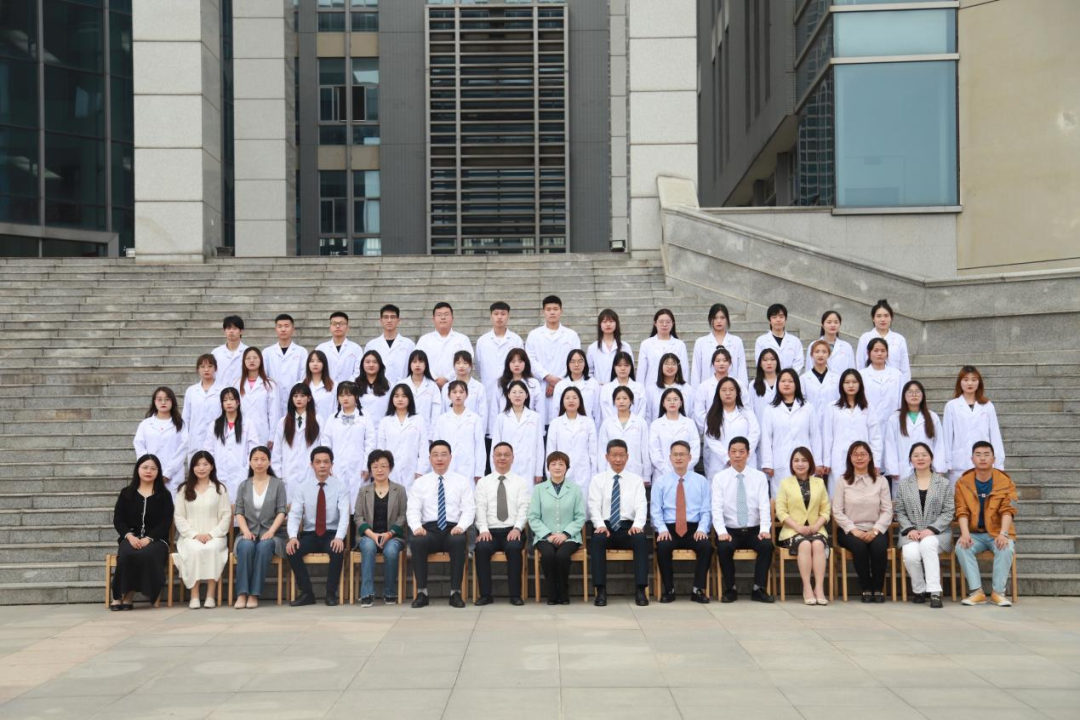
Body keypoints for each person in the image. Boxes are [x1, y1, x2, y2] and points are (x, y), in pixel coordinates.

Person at [407, 441, 475, 608]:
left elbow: (469, 509)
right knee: (417, 542)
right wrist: (417, 527)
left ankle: (455, 593)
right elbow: (413, 509)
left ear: (450, 458)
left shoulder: (461, 481)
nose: (439, 459)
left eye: (444, 455)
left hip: (453, 528)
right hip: (428, 530)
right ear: (429, 458)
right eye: (435, 455)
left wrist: (461, 526)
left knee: (459, 541)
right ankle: (422, 593)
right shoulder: (420, 483)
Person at [712, 437, 775, 604]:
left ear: (748, 453)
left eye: (741, 452)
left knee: (767, 546)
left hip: (754, 530)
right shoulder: (719, 478)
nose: (737, 455)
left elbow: (764, 506)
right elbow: (716, 508)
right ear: (728, 454)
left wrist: (765, 530)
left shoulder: (759, 477)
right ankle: (730, 589)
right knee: (724, 547)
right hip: (731, 531)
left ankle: (759, 589)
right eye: (733, 452)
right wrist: (721, 532)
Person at [955, 441, 1016, 607]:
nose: (982, 458)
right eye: (978, 455)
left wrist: (1003, 533)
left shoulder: (1005, 481)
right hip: (975, 533)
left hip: (997, 531)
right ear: (972, 459)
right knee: (961, 546)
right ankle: (977, 592)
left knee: (1006, 547)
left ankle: (998, 593)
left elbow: (1008, 510)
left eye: (986, 454)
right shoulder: (963, 482)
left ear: (994, 459)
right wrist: (965, 534)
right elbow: (961, 511)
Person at [589, 440, 649, 607]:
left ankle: (640, 590)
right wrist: (600, 525)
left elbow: (641, 505)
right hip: (606, 525)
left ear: (627, 457)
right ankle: (600, 591)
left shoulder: (636, 480)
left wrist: (637, 525)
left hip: (628, 527)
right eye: (614, 455)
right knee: (597, 540)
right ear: (607, 457)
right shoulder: (598, 479)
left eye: (621, 455)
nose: (618, 459)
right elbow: (593, 505)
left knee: (640, 539)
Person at [286, 446, 350, 606]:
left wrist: (339, 537)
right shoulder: (302, 487)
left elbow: (344, 514)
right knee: (292, 549)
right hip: (310, 534)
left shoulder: (340, 486)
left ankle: (331, 593)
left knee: (337, 549)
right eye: (318, 462)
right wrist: (292, 537)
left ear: (331, 465)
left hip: (331, 534)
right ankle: (307, 593)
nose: (322, 465)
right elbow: (294, 514)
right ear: (311, 465)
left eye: (326, 462)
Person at [651, 441, 713, 603]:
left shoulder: (701, 481)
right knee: (663, 547)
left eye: (682, 454)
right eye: (675, 454)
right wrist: (662, 529)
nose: (678, 458)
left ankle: (697, 590)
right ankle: (669, 590)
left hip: (693, 528)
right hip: (669, 528)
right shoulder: (661, 482)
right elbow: (656, 510)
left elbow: (706, 510)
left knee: (706, 546)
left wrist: (702, 529)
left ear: (690, 457)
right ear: (670, 458)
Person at [110, 455, 174, 610]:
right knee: (127, 553)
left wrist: (149, 538)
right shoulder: (126, 493)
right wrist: (129, 536)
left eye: (153, 468)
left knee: (147, 553)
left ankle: (129, 596)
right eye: (145, 467)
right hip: (131, 537)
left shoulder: (164, 495)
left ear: (158, 472)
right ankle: (118, 596)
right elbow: (118, 520)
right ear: (137, 469)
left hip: (157, 540)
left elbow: (166, 522)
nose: (148, 471)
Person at [833, 441, 893, 603]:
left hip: (875, 528)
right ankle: (866, 588)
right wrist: (854, 530)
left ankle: (878, 589)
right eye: (855, 454)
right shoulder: (842, 481)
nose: (859, 458)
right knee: (859, 547)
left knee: (879, 547)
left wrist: (875, 530)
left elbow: (887, 510)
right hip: (850, 530)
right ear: (850, 458)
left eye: (863, 454)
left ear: (870, 457)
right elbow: (837, 511)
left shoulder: (881, 481)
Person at [895, 443, 953, 609]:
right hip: (911, 532)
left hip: (938, 533)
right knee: (910, 554)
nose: (920, 458)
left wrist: (931, 530)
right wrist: (910, 529)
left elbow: (949, 511)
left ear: (931, 458)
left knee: (927, 545)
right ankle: (919, 590)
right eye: (916, 455)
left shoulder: (943, 483)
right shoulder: (904, 484)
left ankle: (934, 592)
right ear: (910, 460)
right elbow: (899, 511)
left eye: (924, 455)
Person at [473, 442, 530, 606]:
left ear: (512, 458)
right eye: (499, 455)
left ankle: (515, 595)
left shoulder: (521, 482)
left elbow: (524, 508)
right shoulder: (483, 482)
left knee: (514, 547)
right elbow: (480, 508)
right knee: (481, 548)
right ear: (493, 458)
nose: (502, 458)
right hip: (489, 531)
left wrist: (517, 528)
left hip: (512, 530)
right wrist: (483, 529)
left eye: (506, 455)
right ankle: (485, 595)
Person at [173, 451, 232, 609]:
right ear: (192, 468)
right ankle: (194, 595)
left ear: (212, 466)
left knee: (212, 549)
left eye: (205, 464)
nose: (201, 468)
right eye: (197, 465)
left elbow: (226, 515)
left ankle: (210, 595)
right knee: (195, 550)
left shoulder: (219, 489)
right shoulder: (184, 489)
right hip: (190, 536)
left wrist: (212, 534)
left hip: (216, 536)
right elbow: (179, 516)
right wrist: (194, 535)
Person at [232, 446, 288, 609]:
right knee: (246, 546)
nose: (259, 463)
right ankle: (242, 593)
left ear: (269, 462)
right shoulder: (244, 485)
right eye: (255, 459)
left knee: (264, 546)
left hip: (273, 534)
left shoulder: (278, 484)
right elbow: (239, 511)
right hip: (248, 532)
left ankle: (254, 594)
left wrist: (271, 531)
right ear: (250, 462)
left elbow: (282, 511)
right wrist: (245, 531)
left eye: (263, 459)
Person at [528, 451, 586, 605]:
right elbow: (533, 517)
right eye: (553, 464)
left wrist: (565, 534)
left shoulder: (575, 489)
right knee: (547, 555)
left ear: (567, 467)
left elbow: (580, 516)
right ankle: (552, 591)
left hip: (570, 537)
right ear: (548, 468)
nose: (557, 467)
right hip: (544, 537)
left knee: (562, 556)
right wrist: (548, 535)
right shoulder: (539, 489)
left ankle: (563, 590)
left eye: (561, 464)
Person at [775, 446, 830, 605]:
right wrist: (798, 527)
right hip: (792, 531)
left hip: (816, 529)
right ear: (792, 463)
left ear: (810, 463)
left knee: (818, 544)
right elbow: (781, 511)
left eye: (804, 460)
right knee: (805, 544)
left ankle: (819, 588)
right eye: (796, 460)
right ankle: (807, 587)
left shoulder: (819, 482)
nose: (800, 464)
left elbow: (826, 510)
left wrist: (816, 526)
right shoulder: (785, 483)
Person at [354, 449, 407, 607]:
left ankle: (389, 592)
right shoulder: (363, 491)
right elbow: (358, 517)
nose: (379, 470)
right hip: (368, 536)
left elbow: (403, 516)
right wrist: (373, 535)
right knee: (368, 547)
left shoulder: (400, 490)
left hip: (393, 536)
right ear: (370, 469)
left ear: (390, 467)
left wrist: (389, 534)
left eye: (384, 466)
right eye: (375, 466)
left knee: (390, 551)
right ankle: (367, 594)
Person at [820, 369, 882, 497]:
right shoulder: (832, 407)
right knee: (838, 494)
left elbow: (875, 437)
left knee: (860, 495)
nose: (851, 385)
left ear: (860, 384)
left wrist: (876, 462)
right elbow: (827, 436)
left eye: (854, 382)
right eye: (847, 382)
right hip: (838, 458)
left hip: (862, 458)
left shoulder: (868, 408)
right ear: (841, 385)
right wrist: (826, 461)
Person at [760, 369, 820, 496]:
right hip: (780, 461)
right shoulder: (770, 409)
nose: (786, 384)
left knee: (804, 498)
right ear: (778, 384)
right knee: (782, 499)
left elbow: (815, 436)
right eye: (783, 381)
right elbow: (766, 438)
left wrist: (818, 461)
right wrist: (768, 463)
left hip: (804, 461)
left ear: (796, 384)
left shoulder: (807, 407)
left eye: (790, 381)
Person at [943, 365, 1005, 486]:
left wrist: (999, 463)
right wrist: (947, 462)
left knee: (983, 496)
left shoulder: (987, 406)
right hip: (959, 463)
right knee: (960, 496)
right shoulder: (952, 406)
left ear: (979, 382)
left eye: (974, 379)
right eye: (966, 379)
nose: (970, 383)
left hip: (984, 463)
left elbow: (995, 435)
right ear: (960, 382)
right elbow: (947, 436)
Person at [526, 295, 582, 423]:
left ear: (561, 311)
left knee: (562, 421)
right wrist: (547, 377)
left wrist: (557, 381)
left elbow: (576, 360)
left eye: (555, 309)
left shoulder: (571, 335)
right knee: (540, 421)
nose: (552, 312)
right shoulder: (534, 335)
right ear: (543, 312)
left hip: (565, 383)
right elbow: (530, 360)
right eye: (548, 309)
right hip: (541, 384)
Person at [322, 381, 375, 512]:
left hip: (359, 468)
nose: (345, 398)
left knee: (358, 505)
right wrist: (328, 465)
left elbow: (370, 443)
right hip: (337, 467)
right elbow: (326, 443)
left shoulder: (365, 417)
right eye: (341, 395)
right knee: (339, 504)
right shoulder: (332, 418)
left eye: (349, 395)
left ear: (356, 396)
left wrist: (366, 466)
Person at [884, 380, 948, 485]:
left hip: (928, 469)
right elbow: (890, 444)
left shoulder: (932, 417)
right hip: (903, 471)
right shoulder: (895, 418)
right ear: (904, 396)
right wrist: (892, 469)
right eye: (910, 392)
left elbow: (939, 443)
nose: (914, 395)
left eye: (917, 392)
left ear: (923, 395)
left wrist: (939, 468)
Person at [203, 387, 255, 502]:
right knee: (220, 503)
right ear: (221, 404)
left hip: (241, 471)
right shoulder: (215, 425)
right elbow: (208, 450)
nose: (228, 403)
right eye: (225, 400)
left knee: (239, 503)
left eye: (231, 399)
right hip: (219, 471)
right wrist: (211, 467)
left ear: (238, 402)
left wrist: (246, 468)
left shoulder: (247, 424)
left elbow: (253, 449)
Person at [703, 377, 760, 479]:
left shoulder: (748, 413)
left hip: (746, 463)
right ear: (718, 393)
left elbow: (754, 435)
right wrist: (727, 458)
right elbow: (711, 440)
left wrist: (742, 455)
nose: (728, 393)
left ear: (737, 393)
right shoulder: (712, 415)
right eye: (723, 390)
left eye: (731, 389)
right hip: (720, 464)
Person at [545, 386, 598, 497]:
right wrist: (550, 474)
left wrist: (594, 475)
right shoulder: (555, 423)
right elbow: (550, 451)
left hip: (584, 473)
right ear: (562, 401)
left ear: (580, 401)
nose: (571, 401)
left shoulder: (588, 422)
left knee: (583, 503)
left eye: (574, 398)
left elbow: (593, 452)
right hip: (560, 472)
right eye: (567, 398)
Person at [489, 380, 545, 483]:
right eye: (514, 392)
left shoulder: (535, 417)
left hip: (529, 467)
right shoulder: (501, 418)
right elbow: (495, 445)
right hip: (507, 466)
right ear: (509, 395)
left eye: (521, 392)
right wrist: (495, 470)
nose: (517, 395)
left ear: (526, 395)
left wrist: (539, 472)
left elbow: (539, 446)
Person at [273, 382, 322, 498]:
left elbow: (322, 446)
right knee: (290, 506)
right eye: (295, 396)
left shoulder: (318, 420)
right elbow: (277, 451)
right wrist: (278, 474)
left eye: (302, 396)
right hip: (288, 474)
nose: (298, 399)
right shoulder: (283, 422)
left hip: (310, 472)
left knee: (309, 505)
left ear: (309, 398)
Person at [134, 386, 187, 492]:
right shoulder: (146, 424)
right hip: (150, 474)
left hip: (174, 476)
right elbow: (139, 446)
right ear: (154, 402)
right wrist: (148, 468)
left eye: (167, 399)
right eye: (159, 399)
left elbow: (183, 449)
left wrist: (168, 473)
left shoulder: (180, 424)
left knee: (172, 501)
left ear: (172, 402)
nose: (163, 402)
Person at [377, 384, 429, 491]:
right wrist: (382, 468)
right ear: (392, 399)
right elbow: (381, 448)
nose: (400, 399)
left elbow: (423, 447)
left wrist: (420, 470)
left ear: (410, 399)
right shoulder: (385, 421)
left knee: (412, 498)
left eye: (404, 396)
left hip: (412, 469)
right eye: (396, 396)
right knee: (392, 498)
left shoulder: (418, 420)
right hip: (390, 470)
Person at [431, 380, 486, 481]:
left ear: (467, 395)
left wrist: (479, 471)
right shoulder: (442, 419)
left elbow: (480, 447)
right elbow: (436, 445)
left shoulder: (474, 418)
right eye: (454, 392)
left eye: (461, 392)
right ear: (448, 395)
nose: (458, 395)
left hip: (468, 467)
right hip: (447, 467)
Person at [596, 386, 652, 484]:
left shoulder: (640, 422)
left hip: (635, 470)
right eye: (618, 399)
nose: (621, 401)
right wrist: (602, 473)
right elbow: (602, 450)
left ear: (631, 401)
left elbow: (645, 450)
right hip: (612, 471)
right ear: (614, 402)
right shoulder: (607, 423)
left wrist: (646, 476)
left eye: (625, 398)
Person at [415, 302, 473, 389]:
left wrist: (447, 378)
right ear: (433, 319)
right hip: (429, 385)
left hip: (456, 387)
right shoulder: (424, 340)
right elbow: (418, 361)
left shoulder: (463, 339)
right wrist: (435, 378)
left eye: (446, 314)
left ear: (452, 318)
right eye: (439, 315)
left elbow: (468, 361)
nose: (443, 317)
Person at [692, 303, 748, 391]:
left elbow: (742, 369)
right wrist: (696, 391)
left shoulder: (736, 341)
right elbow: (696, 371)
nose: (719, 321)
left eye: (722, 318)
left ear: (727, 319)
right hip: (708, 391)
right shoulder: (701, 342)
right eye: (715, 318)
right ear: (710, 319)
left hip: (731, 391)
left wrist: (742, 390)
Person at [490, 347, 546, 434]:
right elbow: (494, 409)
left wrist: (540, 431)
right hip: (505, 428)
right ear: (508, 364)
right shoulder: (501, 383)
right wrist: (493, 433)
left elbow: (540, 409)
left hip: (528, 427)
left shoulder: (533, 383)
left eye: (520, 361)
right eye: (513, 362)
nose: (516, 365)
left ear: (526, 363)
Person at [262, 313, 308, 420]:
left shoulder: (301, 352)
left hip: (296, 398)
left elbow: (304, 376)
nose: (283, 329)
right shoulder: (267, 352)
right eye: (280, 326)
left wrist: (297, 394)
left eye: (286, 326)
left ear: (293, 329)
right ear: (276, 329)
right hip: (273, 399)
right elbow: (264, 376)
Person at [855, 299, 911, 384]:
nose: (883, 319)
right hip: (870, 383)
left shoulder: (899, 339)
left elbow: (905, 368)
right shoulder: (865, 338)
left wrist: (905, 387)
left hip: (894, 383)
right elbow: (860, 364)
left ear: (891, 318)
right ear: (873, 318)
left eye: (886, 316)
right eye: (879, 316)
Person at [648, 388, 700, 478]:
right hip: (662, 474)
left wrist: (683, 468)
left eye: (675, 399)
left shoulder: (689, 423)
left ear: (681, 403)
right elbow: (654, 452)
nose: (672, 402)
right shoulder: (656, 424)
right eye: (668, 400)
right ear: (663, 403)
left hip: (686, 473)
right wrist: (667, 470)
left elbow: (695, 450)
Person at [637, 309, 689, 397]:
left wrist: (684, 391)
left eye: (668, 322)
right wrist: (640, 393)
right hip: (651, 390)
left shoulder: (680, 344)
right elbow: (641, 371)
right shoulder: (646, 344)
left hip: (675, 391)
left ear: (673, 323)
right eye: (661, 322)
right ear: (655, 323)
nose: (664, 325)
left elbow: (684, 370)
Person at [236, 347, 279, 447]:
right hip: (242, 430)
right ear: (244, 362)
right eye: (248, 358)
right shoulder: (237, 384)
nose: (252, 360)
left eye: (255, 358)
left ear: (261, 361)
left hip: (262, 431)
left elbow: (274, 412)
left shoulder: (270, 384)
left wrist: (272, 436)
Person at [182, 354, 221, 463]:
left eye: (210, 366)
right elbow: (186, 416)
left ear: (215, 368)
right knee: (197, 468)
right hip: (196, 438)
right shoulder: (191, 391)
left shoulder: (222, 390)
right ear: (198, 369)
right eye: (202, 367)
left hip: (217, 436)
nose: (206, 369)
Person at [363, 304, 415, 384]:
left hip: (403, 387)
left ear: (398, 320)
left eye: (393, 317)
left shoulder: (409, 344)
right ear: (381, 320)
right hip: (378, 388)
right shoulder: (371, 345)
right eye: (386, 317)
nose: (389, 320)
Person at [861, 338, 904, 432]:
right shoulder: (862, 375)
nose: (879, 354)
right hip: (868, 422)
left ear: (887, 353)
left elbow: (902, 399)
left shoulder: (897, 375)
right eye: (876, 350)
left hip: (893, 422)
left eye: (883, 351)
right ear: (868, 353)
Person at [440, 351, 487, 434]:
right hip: (450, 431)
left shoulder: (479, 388)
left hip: (471, 431)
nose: (461, 366)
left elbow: (483, 415)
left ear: (471, 366)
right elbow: (442, 411)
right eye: (458, 363)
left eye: (465, 363)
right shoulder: (446, 387)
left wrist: (480, 434)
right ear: (454, 365)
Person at [552, 348, 601, 429]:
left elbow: (597, 412)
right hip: (565, 428)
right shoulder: (560, 385)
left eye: (580, 361)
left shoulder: (593, 383)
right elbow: (555, 411)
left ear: (585, 364)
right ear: (568, 364)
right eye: (573, 361)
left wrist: (596, 431)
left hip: (587, 427)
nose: (576, 364)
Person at [693, 347, 738, 432]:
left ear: (730, 363)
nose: (721, 363)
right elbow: (699, 412)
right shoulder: (704, 386)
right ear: (713, 363)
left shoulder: (738, 384)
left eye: (725, 360)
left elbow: (744, 407)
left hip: (735, 428)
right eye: (718, 361)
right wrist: (711, 426)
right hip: (712, 430)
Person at [586, 308, 633, 388]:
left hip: (621, 389)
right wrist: (595, 384)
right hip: (599, 388)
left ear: (616, 324)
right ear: (600, 325)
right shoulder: (592, 348)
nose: (608, 324)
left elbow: (630, 369)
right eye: (604, 322)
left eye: (611, 321)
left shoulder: (625, 347)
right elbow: (589, 371)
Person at [316, 311, 364, 387]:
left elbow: (358, 371)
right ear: (330, 327)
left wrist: (347, 386)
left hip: (350, 389)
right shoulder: (321, 348)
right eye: (334, 323)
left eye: (341, 323)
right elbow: (317, 370)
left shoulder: (356, 349)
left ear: (347, 328)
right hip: (326, 388)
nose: (338, 326)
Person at [598, 350, 647, 423]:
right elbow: (606, 413)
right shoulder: (606, 388)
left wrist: (633, 425)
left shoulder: (639, 387)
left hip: (636, 427)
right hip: (612, 427)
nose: (623, 368)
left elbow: (642, 411)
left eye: (626, 365)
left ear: (631, 367)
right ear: (614, 367)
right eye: (619, 365)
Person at [753, 303, 803, 372]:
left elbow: (798, 363)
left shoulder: (795, 341)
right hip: (769, 377)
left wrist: (787, 377)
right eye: (774, 317)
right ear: (769, 320)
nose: (778, 320)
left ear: (785, 319)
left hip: (790, 378)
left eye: (781, 317)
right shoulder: (761, 341)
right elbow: (759, 362)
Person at [645, 352, 694, 423]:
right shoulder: (652, 389)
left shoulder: (687, 389)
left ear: (678, 367)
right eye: (666, 363)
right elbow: (648, 415)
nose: (670, 367)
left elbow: (692, 413)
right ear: (661, 366)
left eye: (673, 364)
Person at [800, 340, 841, 421]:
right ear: (811, 355)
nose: (820, 355)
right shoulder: (804, 379)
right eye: (817, 351)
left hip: (832, 420)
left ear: (829, 355)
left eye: (824, 352)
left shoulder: (836, 378)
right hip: (810, 420)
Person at [355, 350, 391, 437]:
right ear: (362, 365)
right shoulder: (355, 385)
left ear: (380, 365)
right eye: (367, 362)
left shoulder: (389, 385)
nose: (371, 365)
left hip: (382, 430)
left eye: (375, 362)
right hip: (360, 430)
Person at [404, 349, 443, 429]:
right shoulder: (402, 385)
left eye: (421, 362)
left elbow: (436, 412)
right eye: (414, 362)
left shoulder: (432, 386)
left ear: (426, 365)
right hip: (405, 428)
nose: (417, 365)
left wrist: (432, 432)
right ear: (410, 364)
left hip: (427, 430)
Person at [212, 315, 248, 387]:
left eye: (235, 328)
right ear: (224, 331)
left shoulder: (248, 352)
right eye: (228, 328)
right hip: (220, 391)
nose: (231, 331)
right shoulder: (216, 352)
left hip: (241, 391)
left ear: (241, 331)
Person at [749, 348, 780, 431]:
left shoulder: (783, 382)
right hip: (761, 427)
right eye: (765, 360)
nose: (769, 363)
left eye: (772, 359)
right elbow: (751, 408)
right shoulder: (753, 385)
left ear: (777, 362)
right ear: (760, 363)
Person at [303, 349, 336, 420]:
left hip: (327, 423)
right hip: (307, 424)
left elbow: (337, 408)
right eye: (312, 361)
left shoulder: (334, 385)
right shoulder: (301, 385)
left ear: (324, 364)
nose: (315, 364)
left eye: (319, 361)